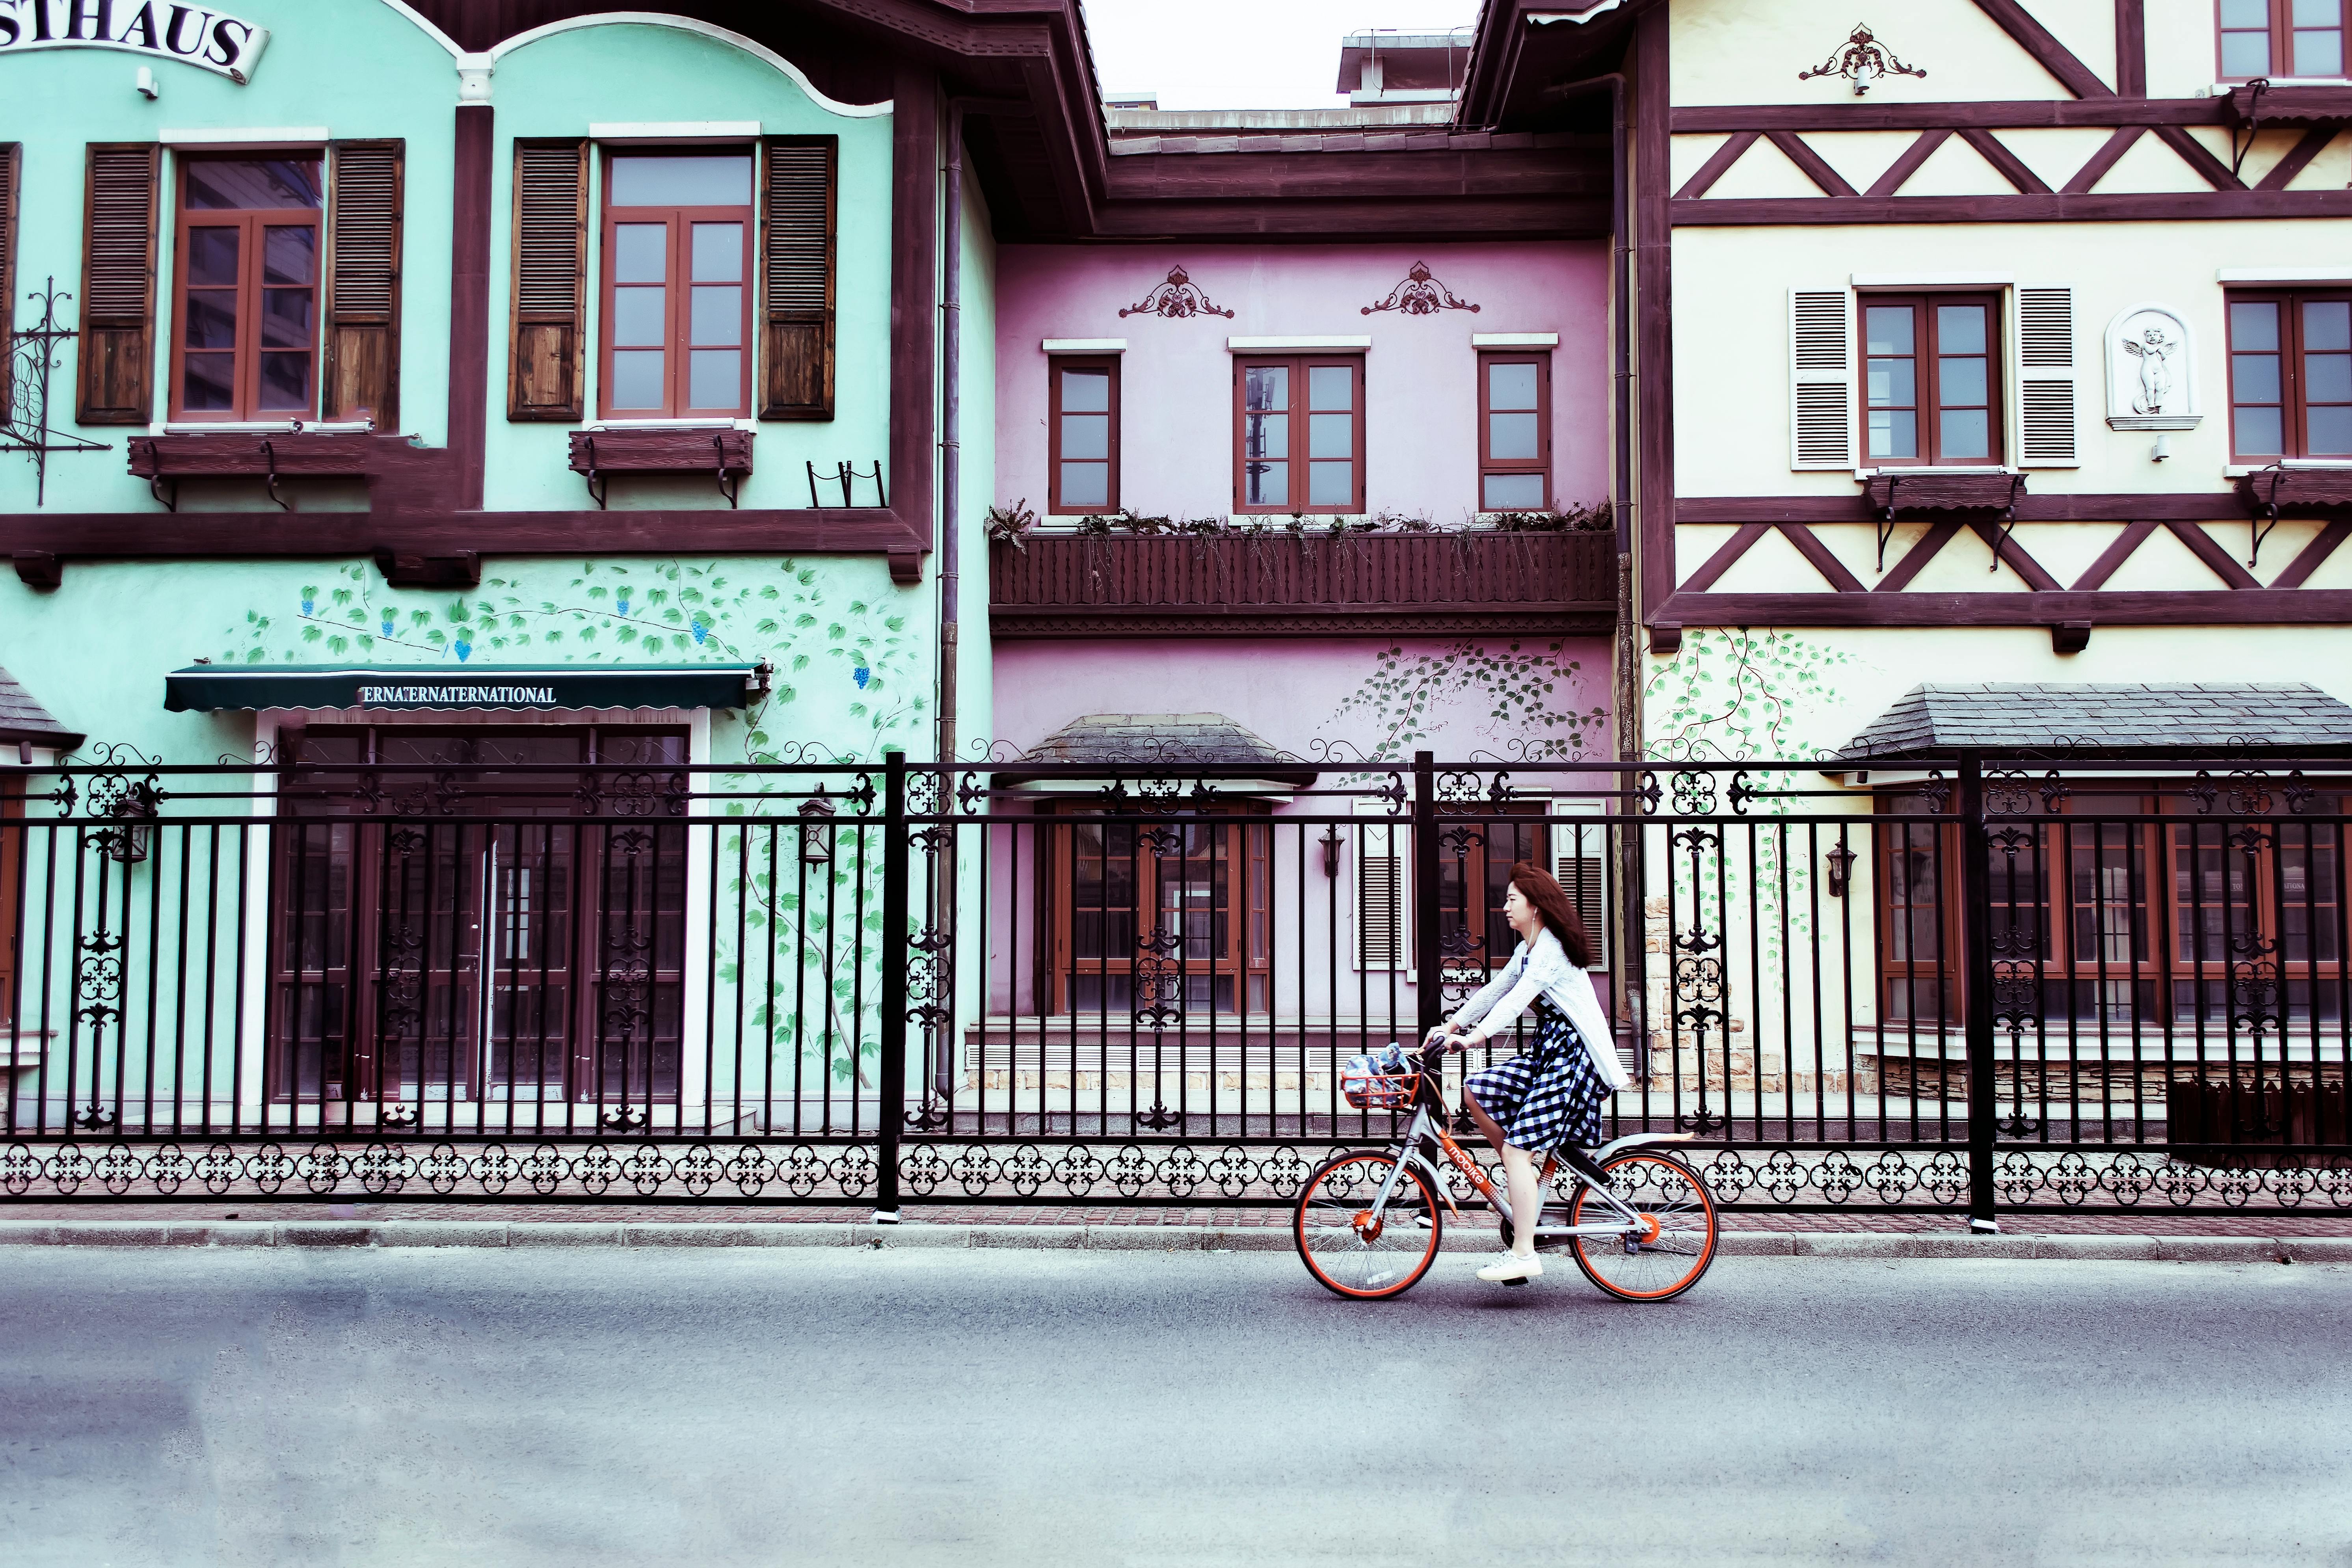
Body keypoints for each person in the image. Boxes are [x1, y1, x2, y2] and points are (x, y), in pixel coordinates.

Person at [1423, 861, 1628, 1283]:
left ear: (1535, 906)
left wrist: (1476, 1038)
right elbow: (1494, 991)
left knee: (1517, 1150)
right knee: (1474, 1091)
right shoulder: (1527, 949)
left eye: (1511, 899)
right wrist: (1451, 1026)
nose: (1504, 907)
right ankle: (1525, 1182)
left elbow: (1517, 1001)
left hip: (1574, 1061)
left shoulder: (1550, 950)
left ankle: (1523, 1252)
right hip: (1548, 1057)